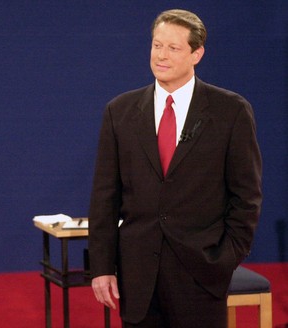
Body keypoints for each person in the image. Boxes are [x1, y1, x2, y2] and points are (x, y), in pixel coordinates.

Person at [87, 9, 262, 327]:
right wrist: (102, 267)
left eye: (173, 48)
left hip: (201, 274)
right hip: (138, 276)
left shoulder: (230, 112)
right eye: (156, 45)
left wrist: (224, 259)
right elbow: (104, 197)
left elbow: (246, 196)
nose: (161, 56)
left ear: (197, 54)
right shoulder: (120, 111)